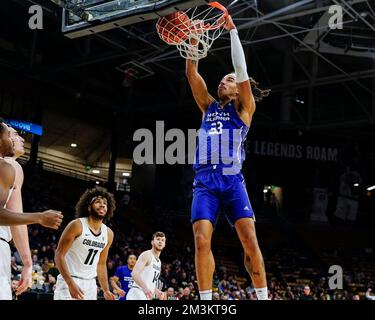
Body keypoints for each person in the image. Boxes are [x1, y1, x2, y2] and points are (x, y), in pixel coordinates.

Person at [185, 16, 270, 300]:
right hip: (205, 182)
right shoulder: (208, 106)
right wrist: (193, 42)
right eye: (222, 79)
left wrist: (232, 31)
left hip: (233, 182)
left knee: (250, 241)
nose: (224, 80)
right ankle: (206, 301)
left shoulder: (245, 108)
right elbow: (192, 74)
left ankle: (262, 296)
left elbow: (241, 69)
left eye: (229, 80)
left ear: (239, 89)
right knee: (200, 241)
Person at [0, 121, 63, 300]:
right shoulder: (9, 165)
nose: (19, 138)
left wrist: (28, 263)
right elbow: (12, 217)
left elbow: (15, 218)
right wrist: (40, 217)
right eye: (12, 134)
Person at [54, 188, 116, 300]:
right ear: (88, 207)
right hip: (70, 280)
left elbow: (101, 264)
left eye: (105, 203)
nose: (102, 205)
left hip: (91, 284)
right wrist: (70, 283)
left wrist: (106, 290)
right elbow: (59, 255)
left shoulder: (109, 233)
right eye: (97, 202)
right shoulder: (76, 225)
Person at [127, 232, 166, 300]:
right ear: (152, 242)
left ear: (164, 244)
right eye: (158, 239)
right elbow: (134, 274)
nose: (160, 241)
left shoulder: (159, 262)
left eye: (162, 240)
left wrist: (157, 292)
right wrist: (145, 288)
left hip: (145, 295)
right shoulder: (147, 255)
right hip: (137, 292)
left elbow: (150, 282)